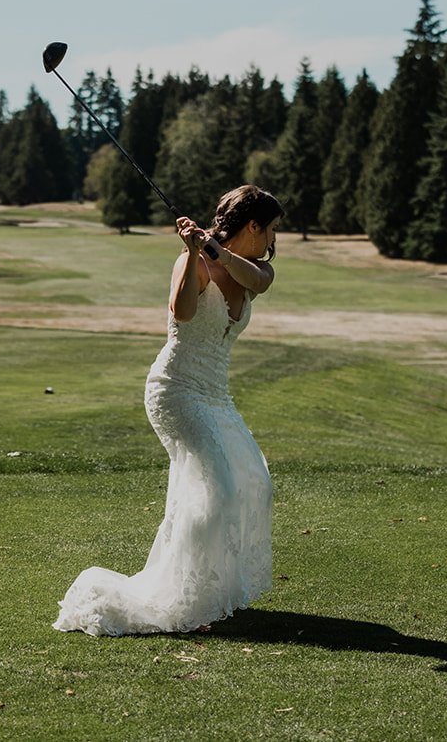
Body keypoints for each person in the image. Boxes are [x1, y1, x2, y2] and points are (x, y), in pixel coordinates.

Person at [54, 184, 283, 636]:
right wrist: (195, 256)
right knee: (216, 487)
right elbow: (181, 313)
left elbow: (257, 281)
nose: (274, 238)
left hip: (216, 395)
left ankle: (213, 591)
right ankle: (184, 596)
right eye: (271, 228)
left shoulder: (256, 268)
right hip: (175, 391)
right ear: (253, 225)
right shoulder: (191, 261)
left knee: (255, 479)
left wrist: (217, 250)